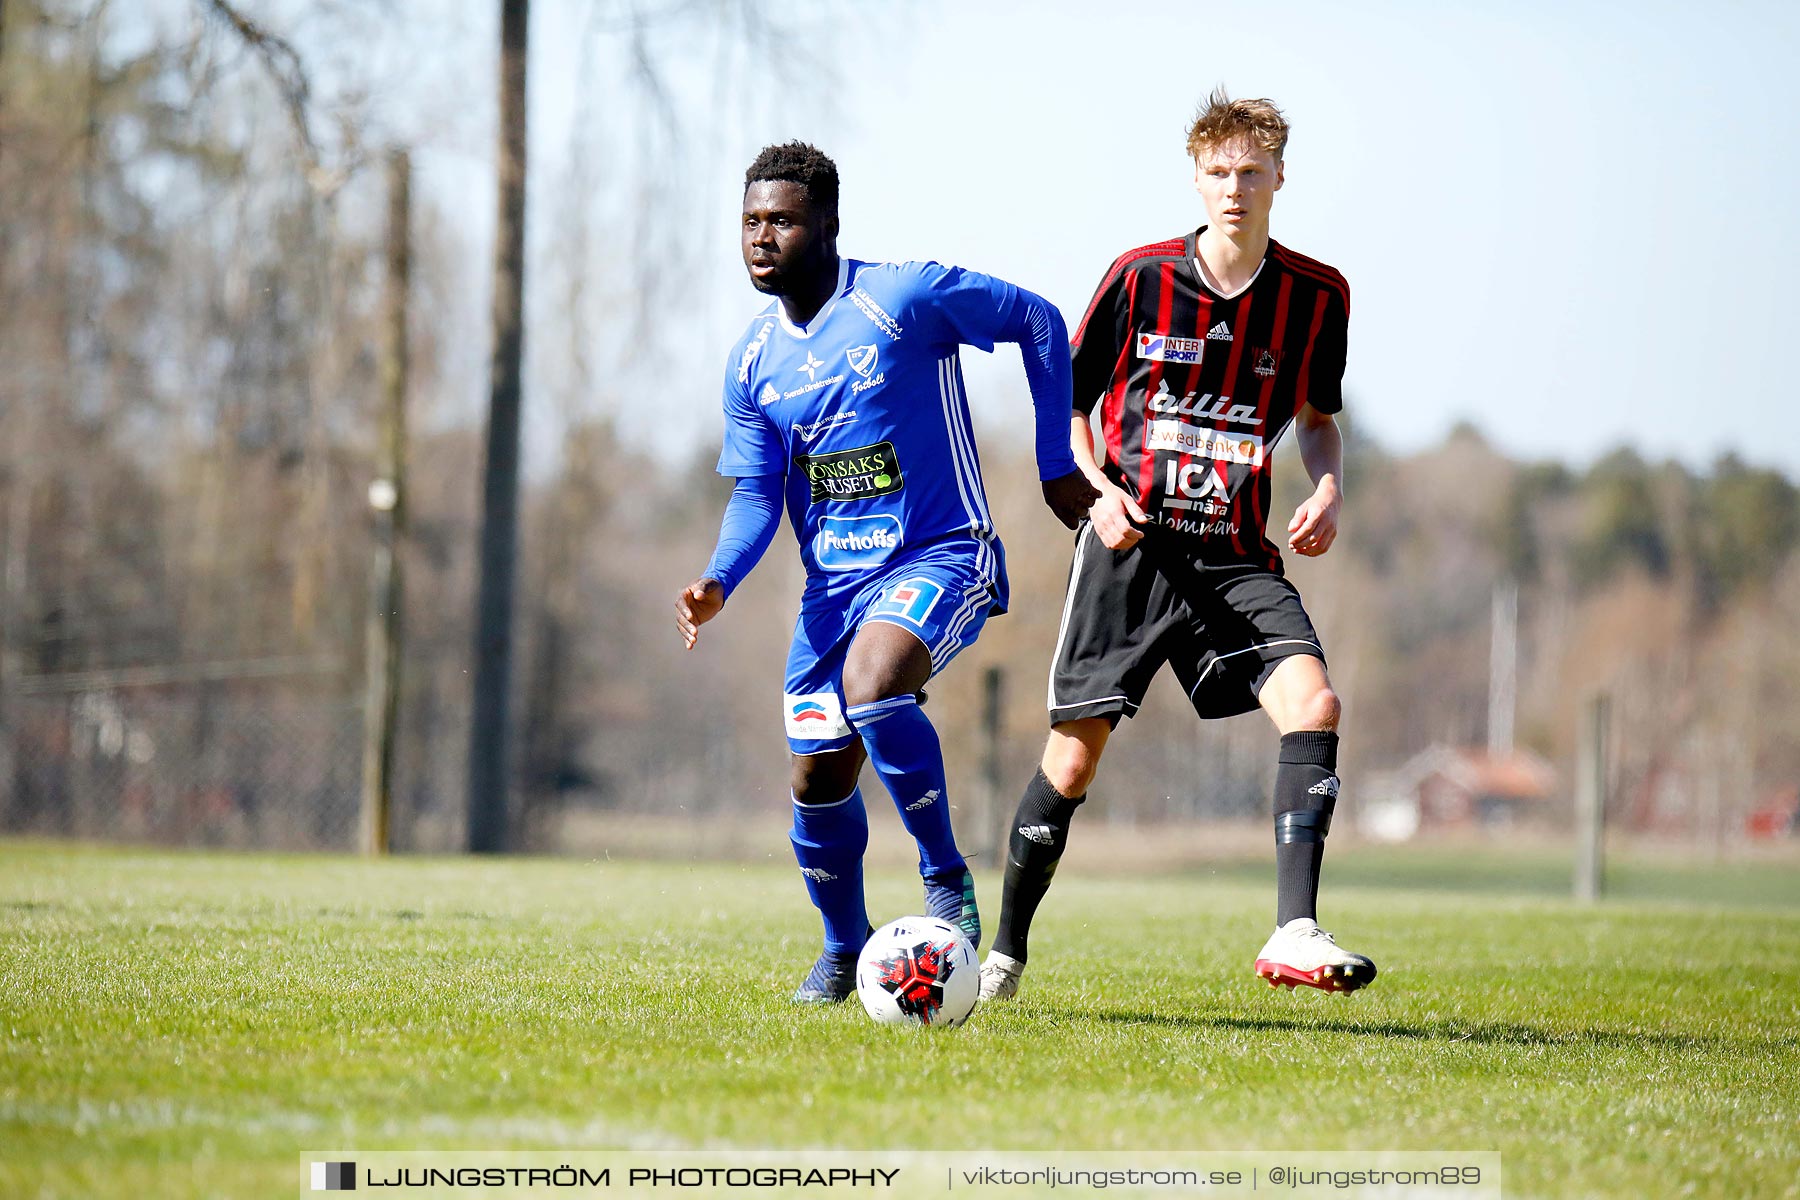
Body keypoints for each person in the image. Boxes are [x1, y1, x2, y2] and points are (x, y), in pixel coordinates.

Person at [676, 142, 1099, 1003]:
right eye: (751, 222)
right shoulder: (753, 362)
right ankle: (842, 950)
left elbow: (1040, 321)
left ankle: (945, 875)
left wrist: (1058, 461)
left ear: (827, 226)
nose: (763, 238)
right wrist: (719, 578)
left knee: (873, 686)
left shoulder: (903, 297)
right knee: (815, 773)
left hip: (943, 551)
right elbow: (758, 496)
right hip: (832, 590)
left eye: (783, 221)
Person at [979, 90, 1376, 1002]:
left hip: (1234, 556)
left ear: (1281, 176)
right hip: (1132, 551)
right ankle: (1003, 951)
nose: (1234, 188)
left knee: (1315, 705)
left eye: (1251, 171)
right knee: (1072, 763)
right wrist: (1095, 495)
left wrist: (1327, 485)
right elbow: (1066, 405)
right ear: (1195, 179)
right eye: (1217, 172)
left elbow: (1317, 420)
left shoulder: (1319, 296)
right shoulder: (1139, 277)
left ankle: (1294, 931)